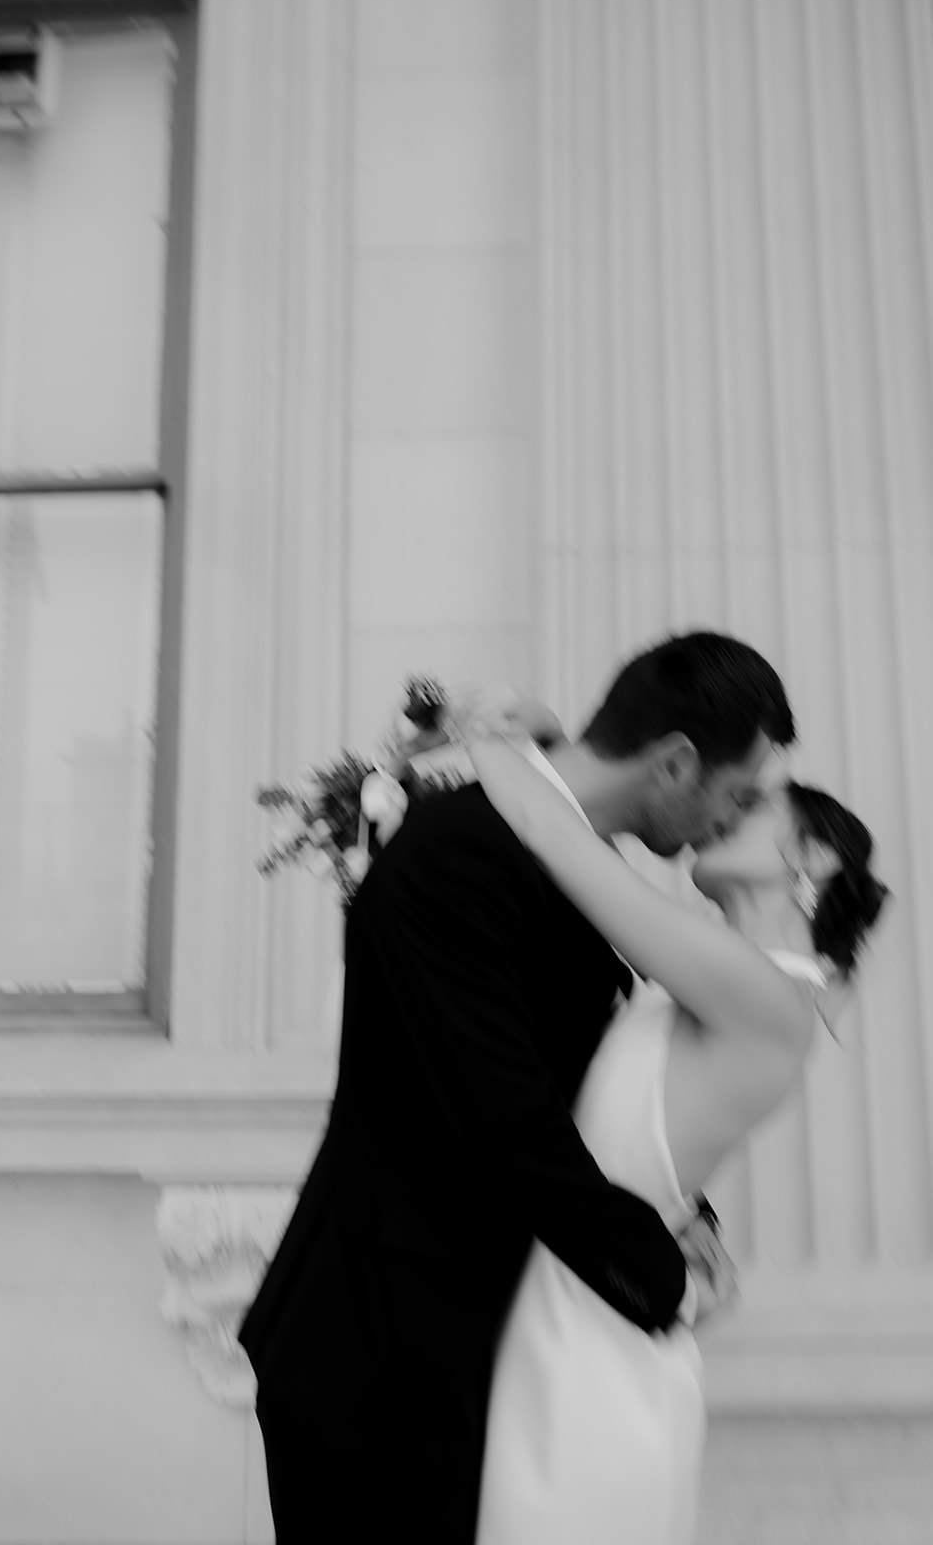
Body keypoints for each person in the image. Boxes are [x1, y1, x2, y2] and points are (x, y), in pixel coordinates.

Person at [238, 630, 796, 1545]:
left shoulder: (576, 869)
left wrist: (680, 1213)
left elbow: (598, 1096)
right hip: (381, 1355)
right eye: (731, 797)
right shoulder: (458, 854)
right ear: (675, 763)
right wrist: (662, 1278)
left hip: (474, 1345)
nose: (722, 827)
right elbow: (509, 1125)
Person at [461, 716, 888, 1545]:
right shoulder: (719, 975)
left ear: (816, 858)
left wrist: (474, 735)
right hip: (570, 1311)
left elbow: (557, 834)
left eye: (755, 803)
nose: (722, 805)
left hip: (590, 1359)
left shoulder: (765, 994)